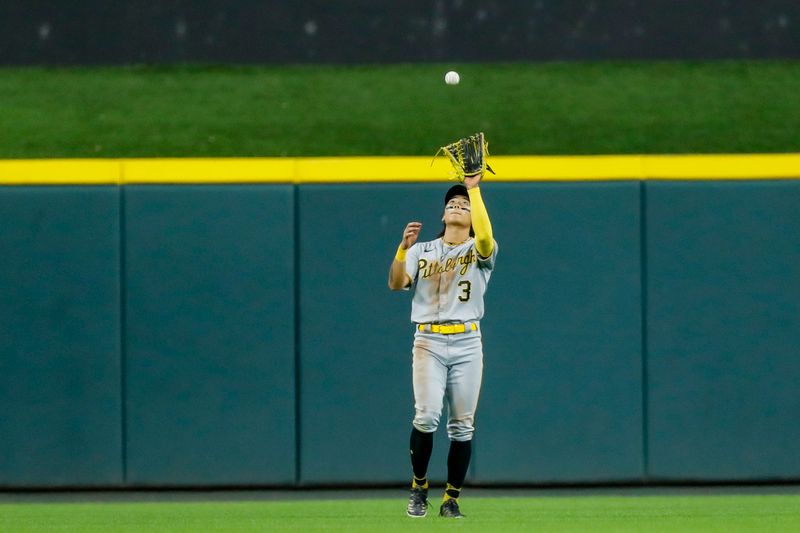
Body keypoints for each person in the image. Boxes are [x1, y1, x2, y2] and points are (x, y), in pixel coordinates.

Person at [388, 171, 498, 519]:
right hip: (429, 340)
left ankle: (451, 499)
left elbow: (485, 237)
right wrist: (402, 249)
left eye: (463, 205)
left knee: (462, 425)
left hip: (467, 342)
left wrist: (474, 190)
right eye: (452, 202)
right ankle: (419, 486)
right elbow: (395, 283)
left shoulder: (482, 249)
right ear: (442, 214)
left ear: (472, 216)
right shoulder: (421, 250)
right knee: (427, 414)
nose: (457, 205)